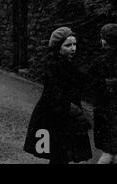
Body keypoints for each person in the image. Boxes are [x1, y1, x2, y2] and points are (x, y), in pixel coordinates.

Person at [24, 27, 92, 164]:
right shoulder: (54, 66)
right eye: (68, 45)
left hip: (66, 114)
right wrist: (75, 111)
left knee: (62, 157)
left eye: (74, 44)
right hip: (55, 116)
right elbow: (54, 95)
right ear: (57, 47)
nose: (73, 48)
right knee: (58, 155)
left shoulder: (70, 64)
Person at [88, 24, 117, 164]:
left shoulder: (99, 63)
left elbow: (94, 89)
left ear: (105, 41)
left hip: (106, 115)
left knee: (108, 154)